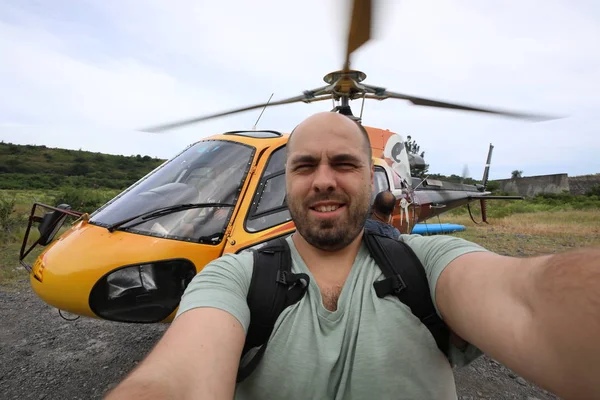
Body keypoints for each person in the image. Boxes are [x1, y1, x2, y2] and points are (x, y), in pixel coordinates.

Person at [106, 112, 600, 400]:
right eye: (304, 167)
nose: (324, 180)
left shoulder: (425, 264)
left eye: (345, 164)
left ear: (371, 177)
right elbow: (180, 378)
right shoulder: (234, 276)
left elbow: (531, 301)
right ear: (289, 181)